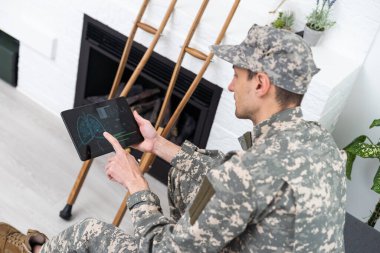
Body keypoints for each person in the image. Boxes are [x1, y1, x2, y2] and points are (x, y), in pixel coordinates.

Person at [0, 24, 347, 253]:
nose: (229, 86)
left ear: (261, 84)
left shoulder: (248, 172)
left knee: (91, 232)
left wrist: (136, 185)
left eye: (237, 76)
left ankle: (34, 251)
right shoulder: (318, 145)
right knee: (194, 181)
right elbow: (225, 175)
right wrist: (158, 145)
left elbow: (163, 249)